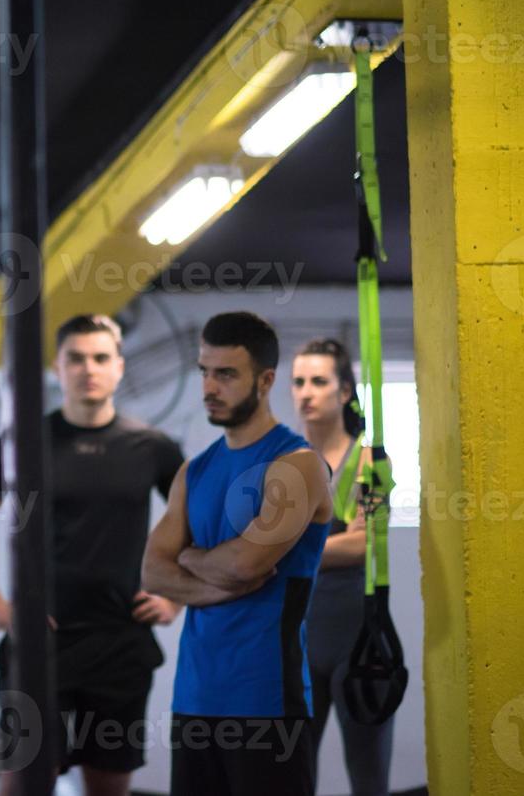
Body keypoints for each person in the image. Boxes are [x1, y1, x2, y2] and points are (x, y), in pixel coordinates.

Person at [0, 314, 184, 796]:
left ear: (120, 367)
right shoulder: (24, 443)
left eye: (101, 358)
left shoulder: (153, 448)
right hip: (42, 647)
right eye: (76, 358)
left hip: (121, 647)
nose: (89, 369)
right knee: (23, 783)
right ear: (58, 368)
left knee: (108, 785)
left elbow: (201, 526)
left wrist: (174, 598)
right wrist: (1, 609)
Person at [142, 312, 333, 796]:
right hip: (195, 699)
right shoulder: (194, 471)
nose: (210, 386)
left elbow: (248, 564)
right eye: (205, 371)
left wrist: (189, 556)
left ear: (266, 380)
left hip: (267, 700)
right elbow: (153, 571)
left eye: (225, 374)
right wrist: (210, 571)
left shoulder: (298, 465)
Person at [292, 338, 393, 795]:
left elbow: (369, 545)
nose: (305, 392)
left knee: (368, 776)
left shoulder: (371, 461)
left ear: (345, 391)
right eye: (298, 382)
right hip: (297, 638)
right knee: (291, 776)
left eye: (318, 381)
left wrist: (294, 547)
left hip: (360, 637)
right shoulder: (283, 461)